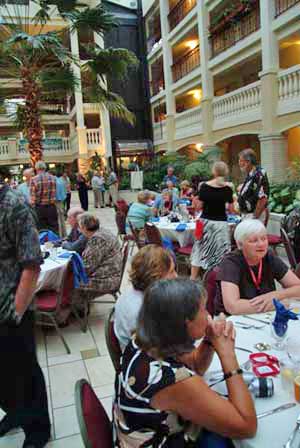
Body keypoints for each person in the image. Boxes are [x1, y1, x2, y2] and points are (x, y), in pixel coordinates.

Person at [113, 278, 257, 447]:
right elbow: (246, 426)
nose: (208, 315)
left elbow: (195, 366)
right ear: (186, 323)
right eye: (203, 309)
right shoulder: (173, 382)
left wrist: (210, 340)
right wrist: (227, 355)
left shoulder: (146, 339)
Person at [0, 179, 51, 447]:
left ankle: (38, 429)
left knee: (25, 372)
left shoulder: (14, 206)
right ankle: (16, 414)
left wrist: (16, 313)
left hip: (12, 311)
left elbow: (32, 266)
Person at [215, 219, 300, 315]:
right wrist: (278, 304)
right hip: (232, 320)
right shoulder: (230, 262)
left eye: (264, 239)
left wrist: (276, 295)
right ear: (240, 244)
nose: (261, 244)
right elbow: (233, 307)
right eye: (253, 241)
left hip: (263, 316)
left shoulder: (269, 256)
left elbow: (298, 287)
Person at [114, 245, 177, 351]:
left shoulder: (131, 293)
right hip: (143, 358)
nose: (176, 276)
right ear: (155, 277)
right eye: (171, 272)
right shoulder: (145, 312)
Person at [191, 161, 234, 280]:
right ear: (225, 172)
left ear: (214, 172)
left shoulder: (204, 186)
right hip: (220, 224)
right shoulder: (228, 189)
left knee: (198, 249)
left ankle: (193, 278)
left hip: (203, 222)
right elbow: (231, 210)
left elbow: (198, 207)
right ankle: (217, 279)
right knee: (221, 252)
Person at [72, 213, 122, 304]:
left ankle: (77, 309)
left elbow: (87, 268)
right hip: (111, 274)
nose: (79, 230)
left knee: (68, 282)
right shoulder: (103, 231)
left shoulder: (97, 240)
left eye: (79, 227)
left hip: (107, 279)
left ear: (84, 228)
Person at [237, 148, 269, 219]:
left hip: (255, 215)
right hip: (248, 214)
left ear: (248, 161)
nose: (239, 163)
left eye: (241, 160)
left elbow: (262, 198)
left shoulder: (258, 174)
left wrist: (254, 218)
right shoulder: (251, 174)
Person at [30, 160, 59, 233]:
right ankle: (54, 243)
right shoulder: (53, 178)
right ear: (45, 168)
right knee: (54, 228)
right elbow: (56, 192)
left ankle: (43, 244)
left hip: (40, 208)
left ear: (36, 168)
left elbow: (33, 199)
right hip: (52, 207)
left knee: (41, 230)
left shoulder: (34, 179)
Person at [55, 171, 67, 238]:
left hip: (56, 202)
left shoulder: (55, 182)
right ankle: (64, 234)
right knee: (62, 219)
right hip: (61, 201)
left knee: (58, 219)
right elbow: (64, 194)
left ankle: (60, 235)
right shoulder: (61, 181)